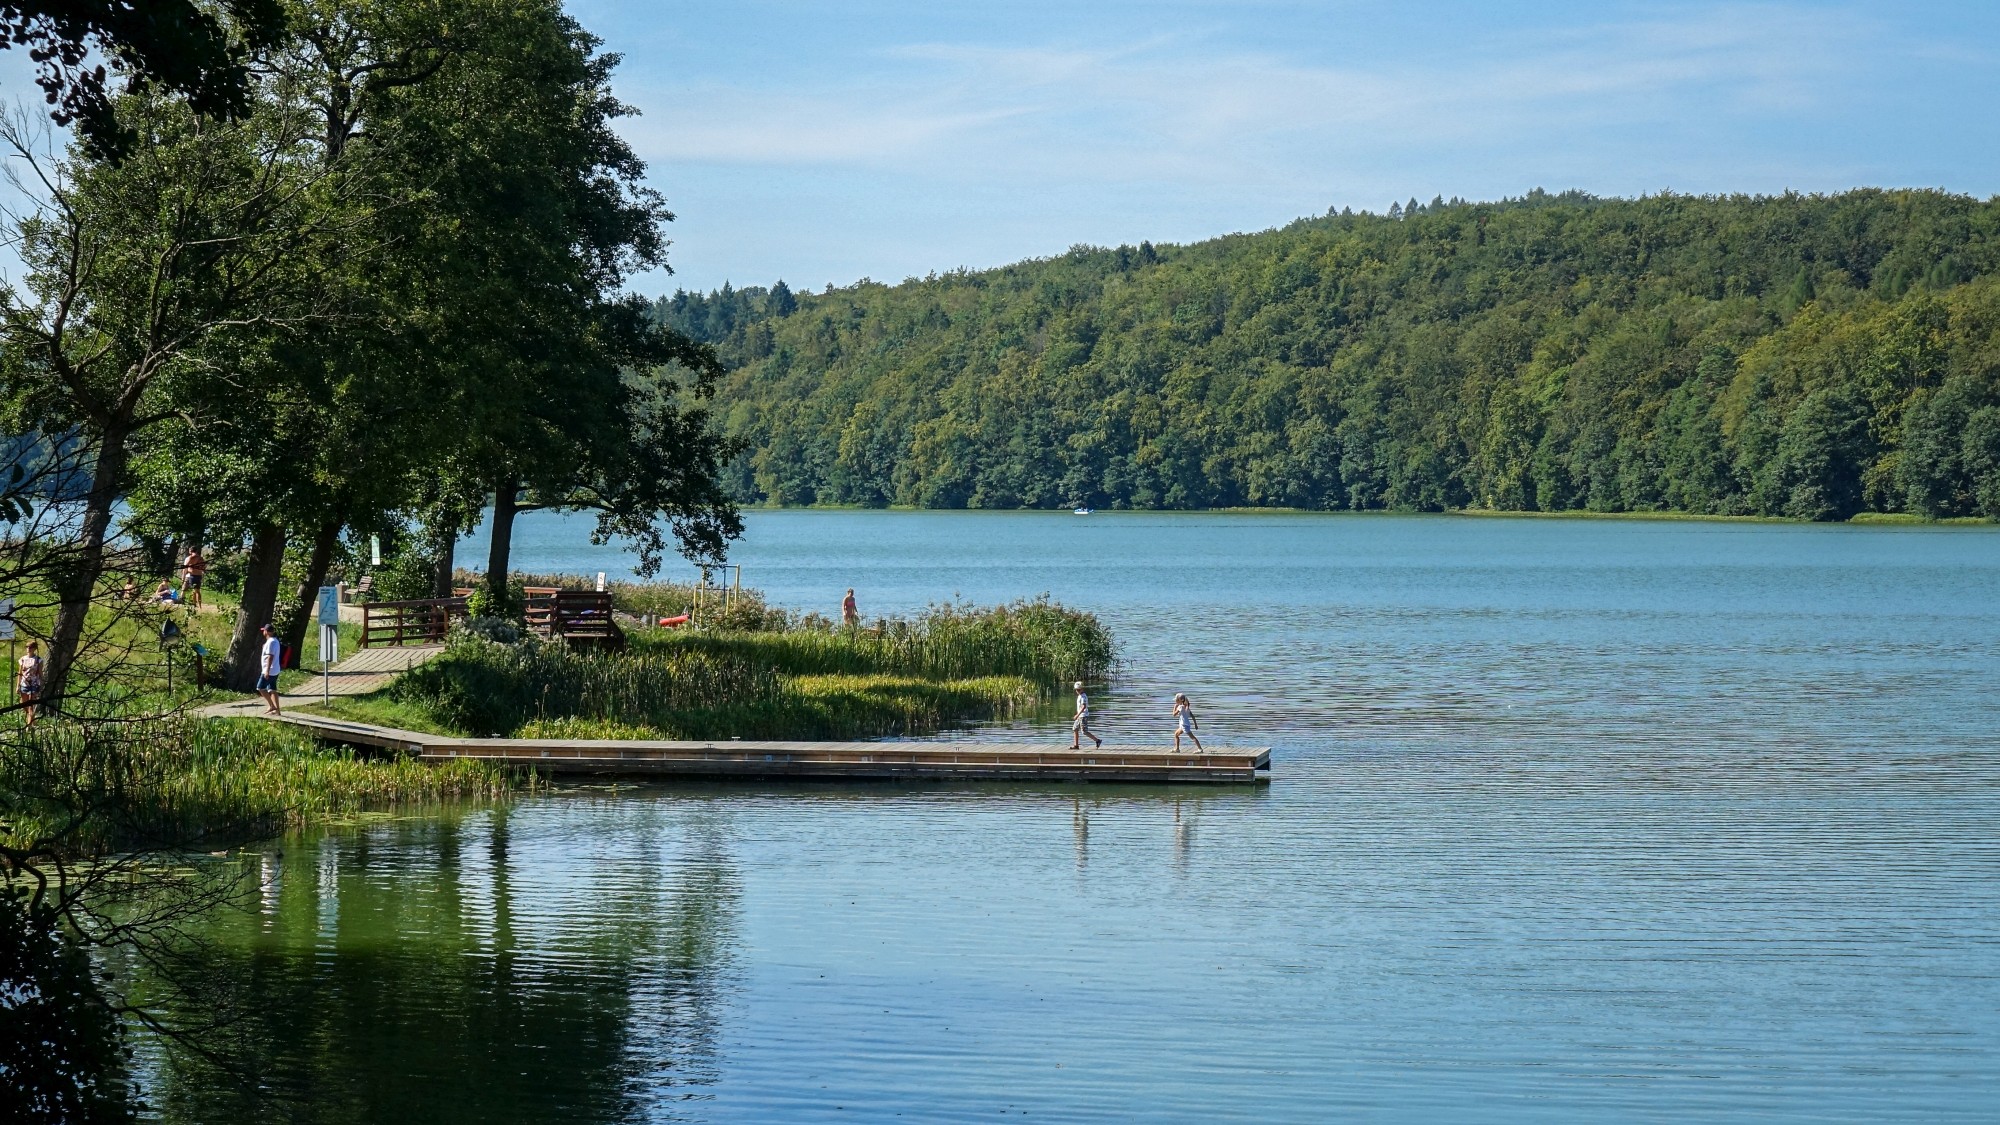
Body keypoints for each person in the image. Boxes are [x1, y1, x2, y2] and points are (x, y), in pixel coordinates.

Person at [255, 623, 283, 715]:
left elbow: (270, 656)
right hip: (275, 669)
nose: (263, 632)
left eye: (264, 630)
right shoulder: (275, 641)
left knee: (260, 688)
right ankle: (277, 711)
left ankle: (271, 706)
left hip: (269, 670)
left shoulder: (270, 642)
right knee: (272, 690)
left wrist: (266, 671)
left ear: (266, 631)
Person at [17, 640, 43, 727]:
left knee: (31, 705)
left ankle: (29, 726)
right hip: (24, 684)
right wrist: (18, 686)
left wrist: (41, 683)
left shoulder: (38, 660)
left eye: (30, 647)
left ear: (35, 648)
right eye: (27, 647)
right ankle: (33, 719)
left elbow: (40, 673)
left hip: (34, 684)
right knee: (24, 704)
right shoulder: (22, 659)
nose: (28, 649)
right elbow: (20, 673)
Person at [1070, 680, 1101, 750]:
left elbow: (1084, 707)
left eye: (1078, 690)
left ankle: (1097, 740)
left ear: (1082, 689)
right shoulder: (1080, 696)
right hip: (1080, 716)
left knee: (1084, 732)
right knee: (1075, 728)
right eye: (1076, 690)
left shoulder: (1083, 696)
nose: (1077, 691)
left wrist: (1077, 715)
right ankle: (1076, 745)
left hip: (1083, 716)